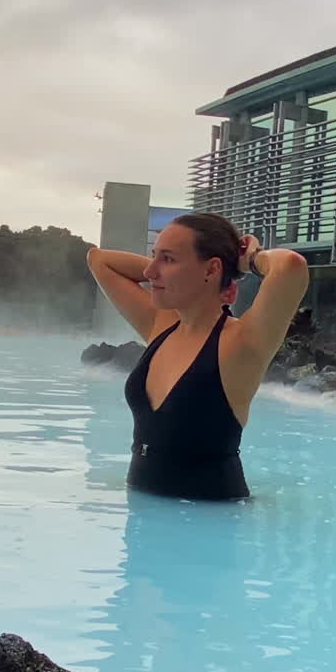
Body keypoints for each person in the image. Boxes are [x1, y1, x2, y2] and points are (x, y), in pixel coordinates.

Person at [86, 212, 309, 500]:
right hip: (145, 523)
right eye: (154, 256)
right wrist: (180, 278)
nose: (150, 272)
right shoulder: (161, 324)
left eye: (168, 259)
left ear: (211, 269)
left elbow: (291, 266)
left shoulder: (241, 343)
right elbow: (98, 259)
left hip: (214, 524)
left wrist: (246, 260)